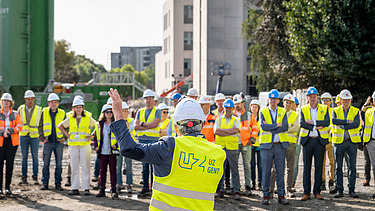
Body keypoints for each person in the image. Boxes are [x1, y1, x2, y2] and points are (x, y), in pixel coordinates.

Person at [108, 88, 226, 210]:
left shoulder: (169, 146)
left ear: (175, 125)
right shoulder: (219, 154)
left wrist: (118, 113)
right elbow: (215, 187)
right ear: (202, 124)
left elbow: (129, 148)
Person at [58, 97, 96, 195]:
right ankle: (75, 188)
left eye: (80, 107)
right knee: (74, 166)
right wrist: (67, 136)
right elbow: (60, 126)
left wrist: (91, 135)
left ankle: (86, 188)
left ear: (83, 108)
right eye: (76, 107)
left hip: (85, 145)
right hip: (73, 145)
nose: (78, 109)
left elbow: (98, 125)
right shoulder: (70, 118)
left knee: (85, 166)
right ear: (73, 108)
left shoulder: (87, 118)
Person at [259, 89, 289, 205]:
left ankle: (281, 195)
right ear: (268, 100)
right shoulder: (263, 111)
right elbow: (263, 127)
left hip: (280, 145)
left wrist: (271, 127)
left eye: (274, 99)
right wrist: (277, 125)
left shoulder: (282, 111)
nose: (272, 101)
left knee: (280, 171)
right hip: (266, 146)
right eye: (271, 99)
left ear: (278, 100)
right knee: (266, 172)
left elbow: (285, 127)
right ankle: (266, 195)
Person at [300, 87, 330, 201]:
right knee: (306, 167)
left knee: (319, 167)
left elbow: (327, 122)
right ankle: (306, 192)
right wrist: (315, 126)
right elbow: (302, 123)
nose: (312, 99)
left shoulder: (324, 108)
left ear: (317, 97)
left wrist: (313, 122)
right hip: (307, 140)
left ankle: (317, 192)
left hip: (319, 140)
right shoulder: (303, 108)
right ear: (307, 98)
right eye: (310, 97)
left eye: (314, 96)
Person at [331, 89, 360, 198]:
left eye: (348, 99)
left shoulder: (355, 111)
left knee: (352, 167)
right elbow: (334, 121)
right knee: (338, 167)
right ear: (341, 100)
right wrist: (348, 122)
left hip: (352, 142)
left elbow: (356, 124)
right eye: (345, 99)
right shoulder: (336, 110)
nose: (347, 101)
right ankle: (340, 190)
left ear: (350, 100)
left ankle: (351, 190)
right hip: (339, 142)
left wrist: (342, 124)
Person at [269, 94, 299, 198]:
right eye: (287, 102)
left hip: (291, 144)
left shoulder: (295, 115)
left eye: (290, 103)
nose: (288, 104)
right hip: (279, 143)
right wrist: (287, 126)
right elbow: (274, 126)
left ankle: (289, 189)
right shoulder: (278, 113)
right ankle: (271, 189)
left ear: (293, 104)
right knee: (275, 168)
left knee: (290, 167)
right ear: (283, 103)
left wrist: (282, 126)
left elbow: (295, 128)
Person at [134, 89, 161, 196]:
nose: (148, 100)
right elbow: (135, 126)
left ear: (153, 100)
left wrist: (142, 124)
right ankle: (145, 188)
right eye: (146, 98)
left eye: (150, 98)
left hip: (153, 141)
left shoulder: (157, 111)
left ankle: (154, 189)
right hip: (142, 141)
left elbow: (154, 124)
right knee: (144, 166)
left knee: (153, 166)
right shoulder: (140, 111)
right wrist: (146, 125)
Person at [214, 99, 241, 200]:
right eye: (226, 108)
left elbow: (235, 130)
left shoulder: (236, 119)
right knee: (220, 170)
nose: (228, 110)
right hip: (221, 148)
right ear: (223, 108)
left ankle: (237, 191)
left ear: (233, 109)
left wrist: (223, 131)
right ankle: (220, 189)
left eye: (230, 108)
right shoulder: (219, 119)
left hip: (232, 147)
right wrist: (229, 132)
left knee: (234, 170)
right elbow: (216, 131)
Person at [38, 93, 66, 191]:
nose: (53, 104)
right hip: (48, 142)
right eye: (52, 102)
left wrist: (64, 138)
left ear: (58, 103)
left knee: (59, 164)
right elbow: (40, 125)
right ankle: (45, 183)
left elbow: (67, 126)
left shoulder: (62, 113)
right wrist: (42, 138)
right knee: (45, 164)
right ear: (48, 103)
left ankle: (58, 184)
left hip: (58, 142)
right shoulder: (44, 111)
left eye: (55, 102)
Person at [233, 94, 258, 196]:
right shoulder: (232, 115)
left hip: (246, 144)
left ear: (243, 103)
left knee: (247, 166)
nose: (236, 106)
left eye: (238, 103)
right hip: (234, 143)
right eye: (235, 104)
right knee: (234, 167)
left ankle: (248, 186)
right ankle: (235, 187)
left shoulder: (248, 115)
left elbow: (256, 128)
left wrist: (251, 140)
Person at [93, 104, 118, 198]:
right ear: (103, 113)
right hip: (102, 152)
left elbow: (119, 137)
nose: (109, 114)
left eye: (111, 112)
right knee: (102, 171)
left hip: (112, 152)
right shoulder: (99, 124)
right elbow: (96, 137)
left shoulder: (115, 124)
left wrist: (117, 145)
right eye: (107, 112)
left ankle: (113, 190)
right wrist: (95, 146)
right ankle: (102, 189)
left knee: (113, 171)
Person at [18, 90, 42, 185]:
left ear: (34, 99)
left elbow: (40, 123)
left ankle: (35, 176)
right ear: (25, 99)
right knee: (24, 157)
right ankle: (24, 176)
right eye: (28, 99)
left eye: (31, 99)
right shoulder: (20, 109)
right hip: (23, 136)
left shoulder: (39, 109)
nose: (30, 101)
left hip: (34, 136)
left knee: (35, 157)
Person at [0, 93, 22, 196]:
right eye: (4, 101)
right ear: (1, 102)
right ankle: (0, 188)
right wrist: (2, 133)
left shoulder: (15, 114)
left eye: (7, 101)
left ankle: (7, 187)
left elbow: (20, 126)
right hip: (0, 141)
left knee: (9, 165)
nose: (5, 103)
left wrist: (10, 130)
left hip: (12, 142)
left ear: (10, 103)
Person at [116, 101, 135, 193]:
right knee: (118, 166)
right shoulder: (117, 121)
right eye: (123, 111)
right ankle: (119, 184)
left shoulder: (131, 121)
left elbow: (128, 129)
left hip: (129, 147)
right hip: (119, 147)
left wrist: (125, 121)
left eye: (126, 111)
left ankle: (129, 184)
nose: (125, 113)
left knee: (129, 166)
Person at [320, 92, 335, 192]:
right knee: (321, 162)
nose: (325, 102)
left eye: (327, 100)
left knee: (332, 162)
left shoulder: (334, 111)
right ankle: (322, 181)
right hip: (321, 140)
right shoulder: (319, 111)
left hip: (331, 140)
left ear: (331, 101)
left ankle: (331, 181)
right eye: (323, 100)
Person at [250, 100, 262, 191]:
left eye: (256, 107)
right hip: (251, 144)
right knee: (252, 164)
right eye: (252, 107)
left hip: (259, 144)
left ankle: (260, 182)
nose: (254, 109)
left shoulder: (261, 118)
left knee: (260, 165)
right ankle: (253, 182)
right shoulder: (248, 118)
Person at [361, 95, 373, 187]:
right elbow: (362, 112)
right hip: (368, 140)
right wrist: (367, 102)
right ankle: (367, 178)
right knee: (367, 161)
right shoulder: (369, 110)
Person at [292, 97, 301, 192]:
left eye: (293, 104)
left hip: (297, 143)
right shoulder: (284, 114)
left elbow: (298, 130)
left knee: (294, 164)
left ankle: (292, 183)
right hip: (286, 142)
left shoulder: (298, 116)